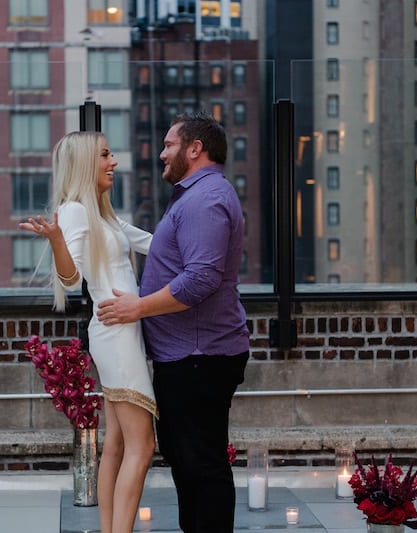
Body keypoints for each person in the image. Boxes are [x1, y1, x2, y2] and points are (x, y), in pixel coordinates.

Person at [96, 111, 250, 533]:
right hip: (189, 357)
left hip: (199, 357)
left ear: (194, 149)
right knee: (189, 462)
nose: (161, 154)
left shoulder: (206, 200)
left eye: (168, 145)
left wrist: (137, 308)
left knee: (202, 465)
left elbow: (201, 278)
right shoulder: (195, 197)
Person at [19, 131, 157, 533]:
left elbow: (153, 243)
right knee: (142, 445)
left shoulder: (101, 214)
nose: (113, 162)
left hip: (121, 332)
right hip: (116, 334)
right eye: (105, 155)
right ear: (83, 164)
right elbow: (70, 274)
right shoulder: (76, 212)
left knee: (115, 444)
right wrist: (58, 239)